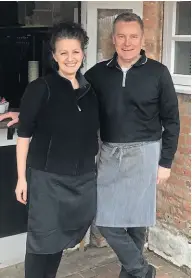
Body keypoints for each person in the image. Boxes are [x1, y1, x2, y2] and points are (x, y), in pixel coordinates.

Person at [0, 12, 180, 278]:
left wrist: (165, 161)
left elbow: (171, 120)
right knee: (80, 229)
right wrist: (23, 115)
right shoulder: (79, 79)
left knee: (132, 224)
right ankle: (141, 270)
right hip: (79, 166)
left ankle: (132, 273)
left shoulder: (143, 76)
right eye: (121, 36)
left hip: (119, 163)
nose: (127, 42)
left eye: (133, 36)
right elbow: (41, 116)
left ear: (143, 39)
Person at [0, 22, 99, 278]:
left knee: (58, 242)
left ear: (83, 53)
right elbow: (24, 135)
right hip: (47, 178)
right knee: (41, 242)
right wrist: (22, 178)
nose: (70, 58)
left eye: (75, 52)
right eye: (63, 52)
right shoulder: (40, 88)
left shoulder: (90, 90)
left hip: (83, 180)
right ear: (54, 55)